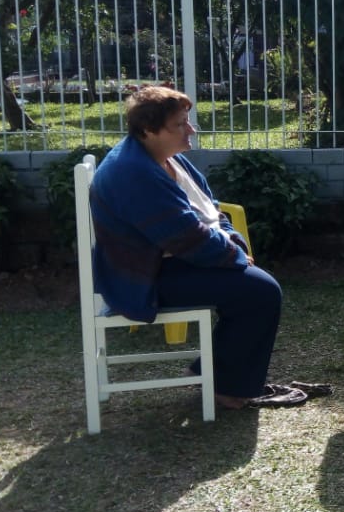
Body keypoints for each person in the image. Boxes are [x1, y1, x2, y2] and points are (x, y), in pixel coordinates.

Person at [90, 86, 283, 410]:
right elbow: (185, 237)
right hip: (144, 278)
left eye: (187, 121)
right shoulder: (133, 173)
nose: (191, 129)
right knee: (261, 292)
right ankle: (224, 386)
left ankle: (214, 376)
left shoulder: (165, 158)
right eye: (180, 125)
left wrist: (233, 241)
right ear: (149, 130)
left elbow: (212, 208)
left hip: (167, 262)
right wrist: (235, 256)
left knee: (256, 288)